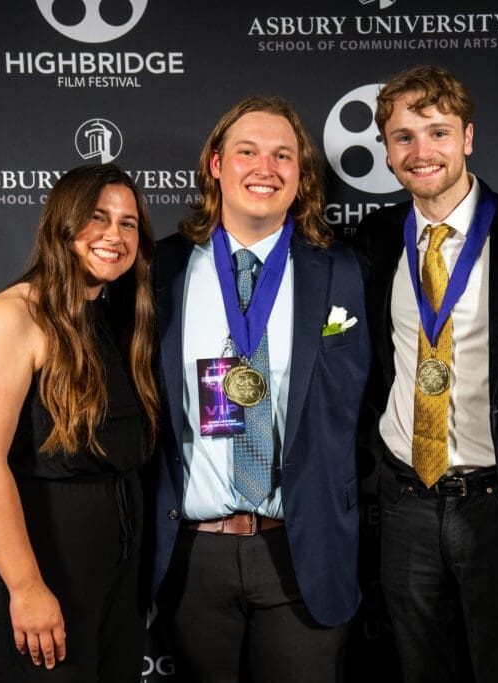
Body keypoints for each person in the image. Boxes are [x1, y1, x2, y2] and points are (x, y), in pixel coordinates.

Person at [147, 95, 370, 682]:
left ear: (301, 175)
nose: (264, 168)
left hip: (303, 548)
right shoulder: (159, 269)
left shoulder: (342, 268)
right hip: (194, 557)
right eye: (247, 151)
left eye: (282, 155)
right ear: (216, 164)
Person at [358, 65, 498, 682]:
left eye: (438, 132)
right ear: (388, 150)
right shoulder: (371, 242)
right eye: (403, 137)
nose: (422, 152)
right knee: (420, 668)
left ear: (468, 138)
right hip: (403, 499)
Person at [0, 163, 159, 681]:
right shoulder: (9, 317)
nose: (115, 235)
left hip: (120, 571)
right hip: (48, 564)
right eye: (98, 217)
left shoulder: (114, 319)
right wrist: (26, 588)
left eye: (128, 222)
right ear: (63, 224)